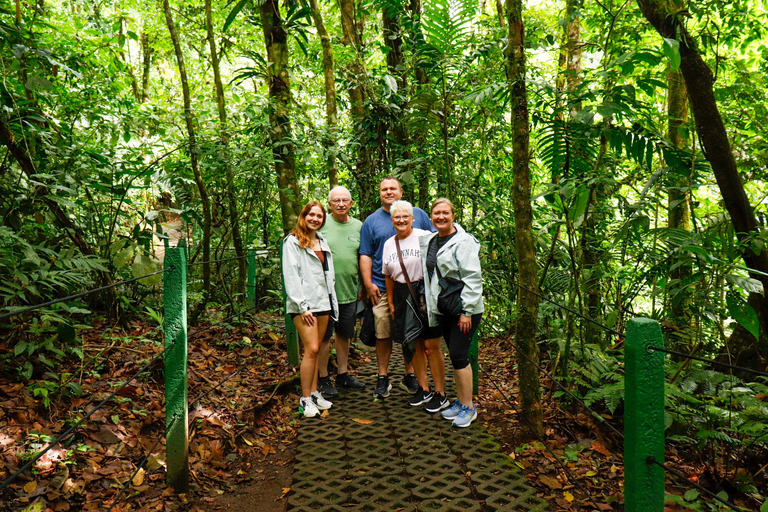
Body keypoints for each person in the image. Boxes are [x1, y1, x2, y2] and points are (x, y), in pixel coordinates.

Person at [360, 177, 434, 399]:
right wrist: (368, 284)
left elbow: (433, 243)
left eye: (393, 189)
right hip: (383, 287)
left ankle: (409, 374)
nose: (389, 192)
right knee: (383, 331)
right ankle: (382, 377)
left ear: (401, 191)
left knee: (411, 332)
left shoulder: (418, 214)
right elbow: (365, 253)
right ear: (379, 193)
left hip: (415, 289)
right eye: (384, 189)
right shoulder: (371, 221)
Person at [420, 198, 484, 427]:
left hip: (465, 309)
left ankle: (469, 406)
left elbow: (473, 278)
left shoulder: (464, 241)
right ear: (431, 216)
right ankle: (461, 400)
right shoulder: (430, 240)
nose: (441, 217)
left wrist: (467, 311)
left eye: (445, 213)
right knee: (455, 355)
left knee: (458, 355)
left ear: (453, 215)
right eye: (437, 213)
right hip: (445, 308)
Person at [382, 201, 448, 412]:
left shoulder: (425, 237)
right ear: (391, 221)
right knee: (414, 343)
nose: (401, 220)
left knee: (431, 346)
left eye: (405, 217)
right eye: (396, 217)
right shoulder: (389, 244)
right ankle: (423, 388)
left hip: (424, 295)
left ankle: (441, 393)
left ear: (412, 218)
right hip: (402, 297)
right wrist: (391, 302)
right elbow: (388, 276)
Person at [282, 201, 338, 418]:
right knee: (312, 348)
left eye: (319, 216)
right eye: (311, 215)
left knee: (319, 348)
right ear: (303, 217)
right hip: (304, 305)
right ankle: (305, 399)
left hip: (323, 302)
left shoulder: (322, 240)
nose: (315, 219)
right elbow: (291, 275)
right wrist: (301, 305)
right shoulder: (292, 241)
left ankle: (314, 393)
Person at [316, 186, 366, 397]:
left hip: (349, 291)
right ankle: (322, 378)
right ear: (329, 204)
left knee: (344, 334)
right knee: (324, 337)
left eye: (345, 200)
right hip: (324, 293)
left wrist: (363, 285)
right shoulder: (321, 224)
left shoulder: (359, 227)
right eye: (336, 201)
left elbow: (364, 257)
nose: (341, 204)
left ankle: (343, 375)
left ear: (351, 203)